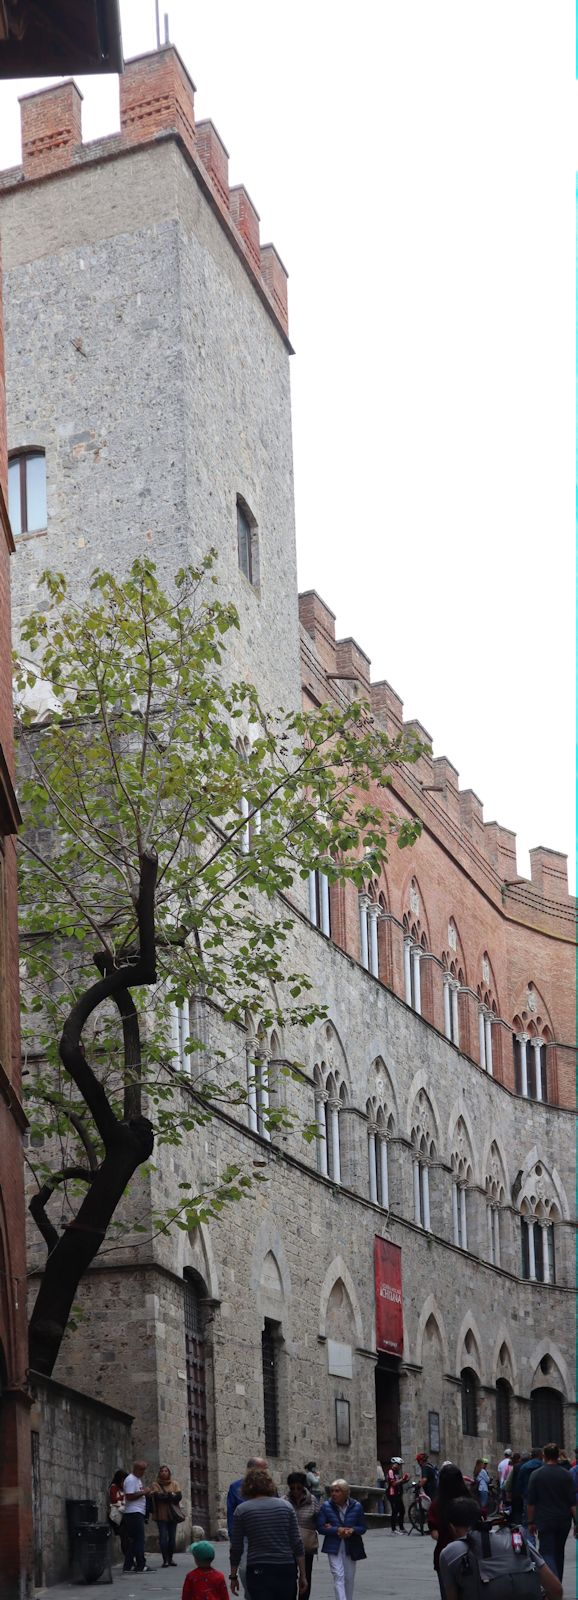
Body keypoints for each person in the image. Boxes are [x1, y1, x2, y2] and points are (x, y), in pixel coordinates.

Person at [438, 1495, 562, 1600]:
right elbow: (556, 1590)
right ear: (482, 1519)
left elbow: (451, 1596)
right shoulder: (515, 1540)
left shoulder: (450, 1553)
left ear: (452, 1528)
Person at [230, 1466, 306, 1600]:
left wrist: (233, 1575)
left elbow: (236, 1547)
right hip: (285, 1567)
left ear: (247, 1486)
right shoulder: (286, 1507)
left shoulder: (241, 1510)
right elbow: (297, 1543)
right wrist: (303, 1575)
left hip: (258, 1568)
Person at [526, 1441, 578, 1581]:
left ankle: (552, 1583)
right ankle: (558, 1581)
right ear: (557, 1456)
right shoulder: (566, 1475)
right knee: (559, 1552)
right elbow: (572, 1502)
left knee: (547, 1551)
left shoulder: (536, 1475)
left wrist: (530, 1522)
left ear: (544, 1456)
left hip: (544, 1519)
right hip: (563, 1520)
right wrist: (576, 1522)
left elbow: (531, 1502)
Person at [316, 1478, 366, 1600]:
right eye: (332, 1491)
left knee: (349, 1577)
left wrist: (352, 1530)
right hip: (333, 1545)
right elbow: (320, 1527)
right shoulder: (326, 1506)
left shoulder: (357, 1506)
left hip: (351, 1545)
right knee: (338, 1575)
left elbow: (363, 1527)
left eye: (337, 1491)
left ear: (345, 1493)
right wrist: (336, 1530)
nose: (333, 1494)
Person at [427, 1463, 472, 1595]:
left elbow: (434, 1533)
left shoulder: (437, 1504)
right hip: (470, 1554)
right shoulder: (469, 1501)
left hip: (445, 1554)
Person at [227, 1456, 268, 1598]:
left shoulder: (269, 1487)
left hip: (265, 1534)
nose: (266, 1472)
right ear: (252, 1469)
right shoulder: (235, 1487)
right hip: (244, 1535)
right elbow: (231, 1514)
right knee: (244, 1569)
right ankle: (250, 1594)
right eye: (264, 1469)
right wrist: (233, 1537)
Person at [286, 1472, 318, 1600]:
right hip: (288, 1547)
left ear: (304, 1487)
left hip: (306, 1546)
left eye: (298, 1488)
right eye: (292, 1488)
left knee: (306, 1576)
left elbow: (319, 1518)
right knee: (290, 1576)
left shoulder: (312, 1501)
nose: (295, 1491)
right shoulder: (284, 1501)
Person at [122, 1458, 154, 1575]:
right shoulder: (131, 1480)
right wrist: (144, 1492)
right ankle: (141, 1565)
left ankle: (129, 1565)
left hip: (136, 1513)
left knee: (134, 1540)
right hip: (133, 1513)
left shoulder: (137, 1480)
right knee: (139, 1540)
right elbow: (130, 1496)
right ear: (135, 1469)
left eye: (144, 1470)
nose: (143, 1472)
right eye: (141, 1469)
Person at [150, 1464, 183, 1568]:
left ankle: (170, 1558)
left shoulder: (174, 1483)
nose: (164, 1473)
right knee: (163, 1537)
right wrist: (170, 1495)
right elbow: (158, 1497)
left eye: (166, 1471)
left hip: (173, 1514)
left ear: (169, 1473)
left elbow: (178, 1496)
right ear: (159, 1473)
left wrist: (169, 1496)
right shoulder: (155, 1484)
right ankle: (165, 1560)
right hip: (161, 1514)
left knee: (172, 1538)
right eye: (162, 1471)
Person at [517, 1448, 542, 1537]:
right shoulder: (543, 1466)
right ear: (540, 1456)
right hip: (542, 1497)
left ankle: (531, 1545)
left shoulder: (524, 1467)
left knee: (528, 1521)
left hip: (528, 1496)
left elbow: (519, 1483)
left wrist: (523, 1494)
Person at [108, 1470, 132, 1565]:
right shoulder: (114, 1487)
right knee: (124, 1537)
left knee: (127, 1537)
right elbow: (114, 1499)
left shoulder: (122, 1488)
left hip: (125, 1513)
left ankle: (129, 1558)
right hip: (119, 1515)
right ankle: (128, 1559)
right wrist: (123, 1498)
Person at [386, 1458, 408, 1533]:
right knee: (395, 1511)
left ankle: (401, 1528)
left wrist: (405, 1480)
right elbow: (393, 1483)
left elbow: (399, 1482)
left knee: (402, 1510)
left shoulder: (397, 1472)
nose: (400, 1466)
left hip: (398, 1494)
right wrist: (402, 1479)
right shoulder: (390, 1472)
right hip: (392, 1494)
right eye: (399, 1465)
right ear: (395, 1464)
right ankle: (393, 1529)